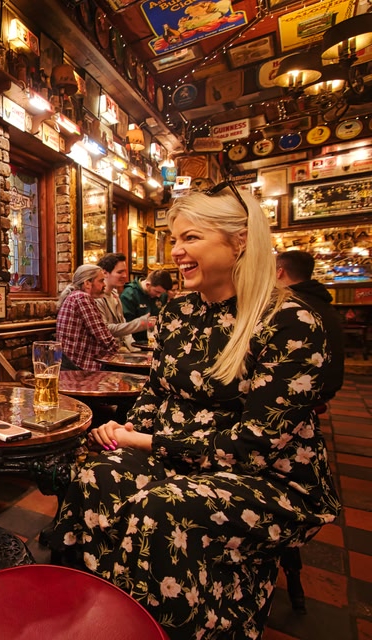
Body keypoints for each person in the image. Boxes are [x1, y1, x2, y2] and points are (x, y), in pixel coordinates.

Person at [44, 185, 341, 639]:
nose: (177, 252)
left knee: (163, 511)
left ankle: (188, 627)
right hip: (178, 455)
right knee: (94, 476)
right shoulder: (179, 311)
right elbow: (156, 393)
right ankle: (95, 617)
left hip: (270, 477)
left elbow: (255, 445)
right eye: (175, 239)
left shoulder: (291, 322)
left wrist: (145, 440)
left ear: (239, 240)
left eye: (191, 238)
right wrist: (128, 426)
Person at [277, 250, 345, 402]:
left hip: (311, 389)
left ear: (279, 273)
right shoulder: (320, 300)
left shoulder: (290, 306)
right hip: (330, 384)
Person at [56, 264, 119, 370]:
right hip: (79, 366)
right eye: (101, 281)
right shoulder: (82, 298)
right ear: (87, 283)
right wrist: (120, 354)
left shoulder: (75, 296)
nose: (104, 284)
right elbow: (103, 335)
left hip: (70, 362)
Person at [95, 252, 150, 351]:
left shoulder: (115, 295)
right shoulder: (96, 298)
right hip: (108, 355)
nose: (125, 275)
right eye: (120, 272)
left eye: (125, 271)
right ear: (105, 273)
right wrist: (142, 323)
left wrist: (135, 351)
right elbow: (106, 329)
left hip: (122, 353)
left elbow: (125, 332)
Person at [120, 269, 173, 343]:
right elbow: (127, 326)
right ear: (148, 285)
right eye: (157, 292)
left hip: (157, 340)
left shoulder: (162, 295)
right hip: (136, 342)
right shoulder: (129, 295)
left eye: (161, 293)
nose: (159, 295)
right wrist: (146, 323)